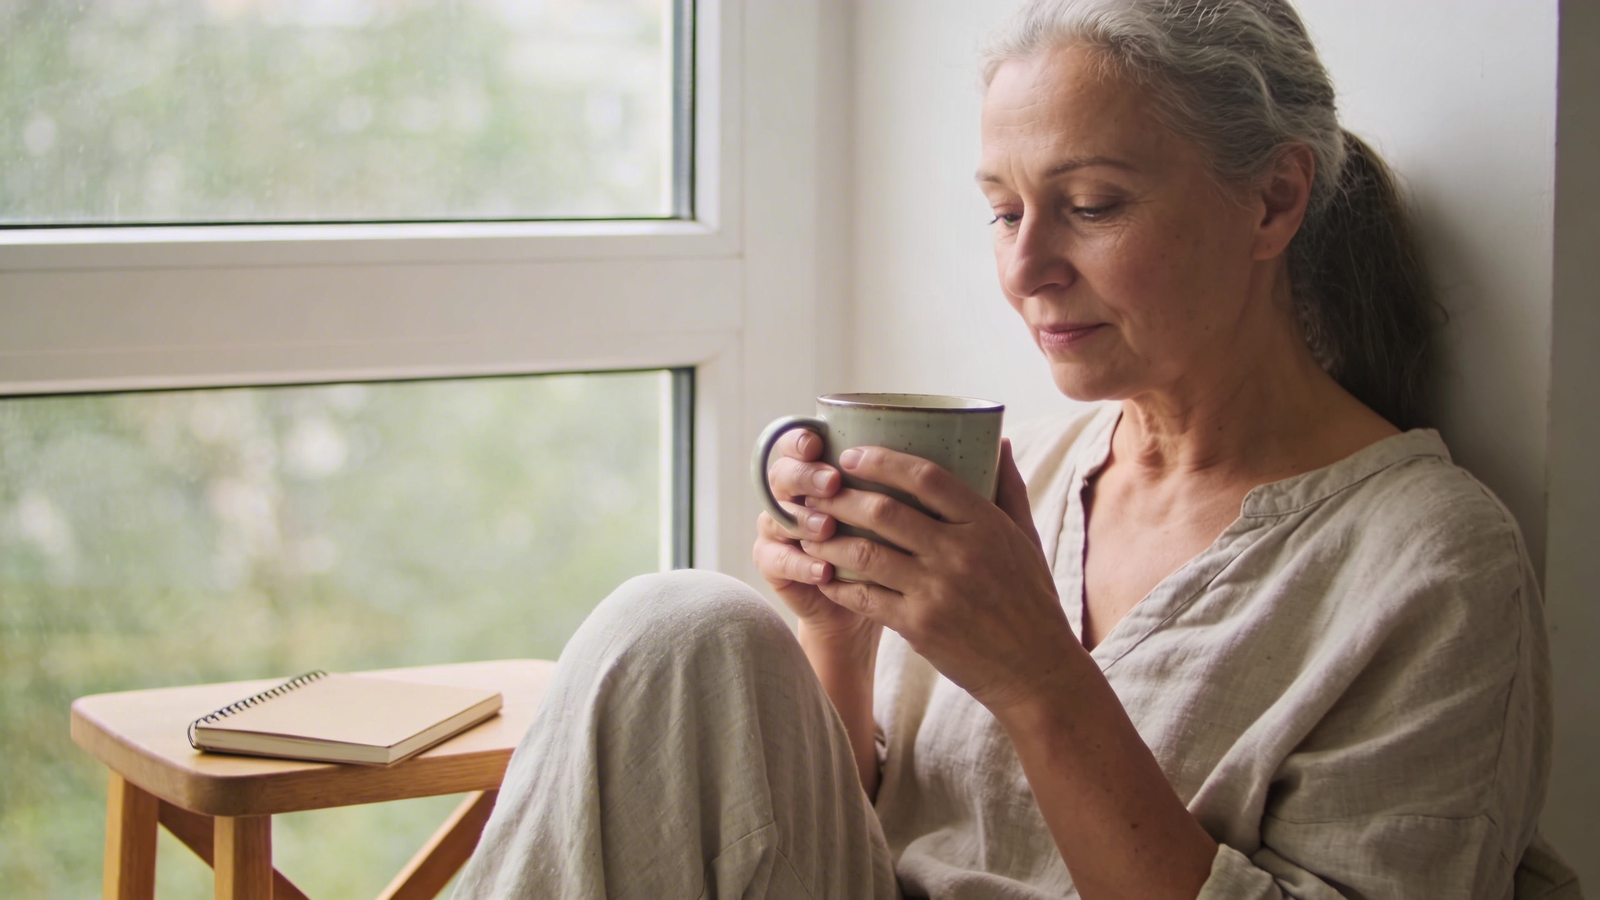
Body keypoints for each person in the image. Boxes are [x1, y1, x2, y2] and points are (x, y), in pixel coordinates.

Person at [454, 1, 1581, 897]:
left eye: (1090, 205)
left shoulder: (1430, 566)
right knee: (678, 626)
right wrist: (834, 638)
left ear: (1274, 200)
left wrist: (1040, 678)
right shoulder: (1025, 478)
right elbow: (856, 832)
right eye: (1003, 211)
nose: (1025, 268)